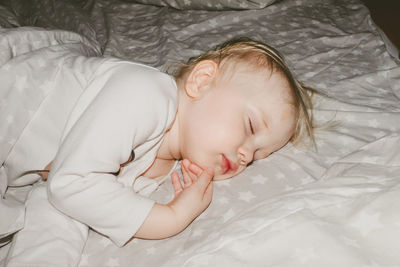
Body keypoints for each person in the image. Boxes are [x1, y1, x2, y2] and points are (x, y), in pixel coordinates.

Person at [4, 37, 314, 266]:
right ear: (202, 81)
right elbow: (71, 183)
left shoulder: (162, 167)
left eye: (259, 155)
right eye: (249, 126)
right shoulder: (147, 92)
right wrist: (172, 217)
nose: (246, 156)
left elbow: (65, 204)